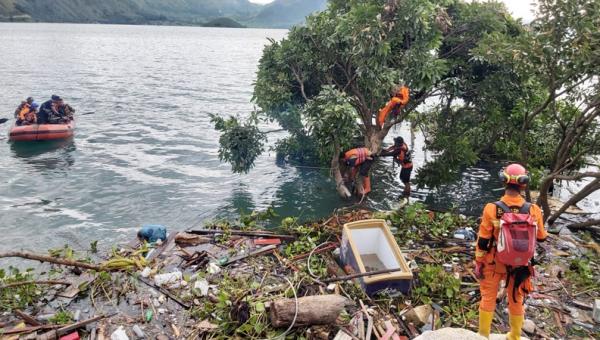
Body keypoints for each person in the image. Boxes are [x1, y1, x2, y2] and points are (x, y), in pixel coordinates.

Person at [475, 163, 548, 340]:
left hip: (493, 262)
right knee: (516, 299)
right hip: (519, 264)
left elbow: (483, 242)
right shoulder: (533, 209)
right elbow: (541, 238)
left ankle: (483, 335)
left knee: (488, 298)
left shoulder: (492, 208)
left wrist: (478, 263)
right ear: (524, 185)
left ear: (504, 182)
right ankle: (514, 335)